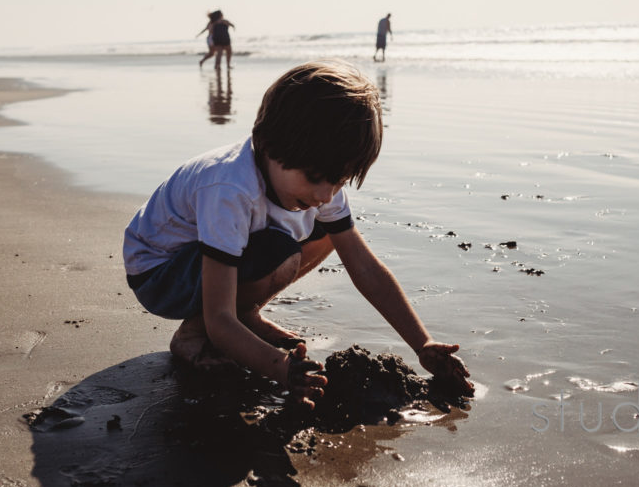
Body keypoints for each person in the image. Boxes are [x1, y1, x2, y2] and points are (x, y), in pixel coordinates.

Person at [123, 61, 473, 407]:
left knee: (329, 232)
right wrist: (282, 369)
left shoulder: (321, 185)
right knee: (278, 250)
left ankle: (246, 312)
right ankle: (191, 334)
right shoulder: (230, 189)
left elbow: (364, 267)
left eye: (339, 181)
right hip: (160, 273)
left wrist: (422, 344)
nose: (325, 194)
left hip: (210, 262)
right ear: (270, 143)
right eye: (315, 177)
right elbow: (219, 319)